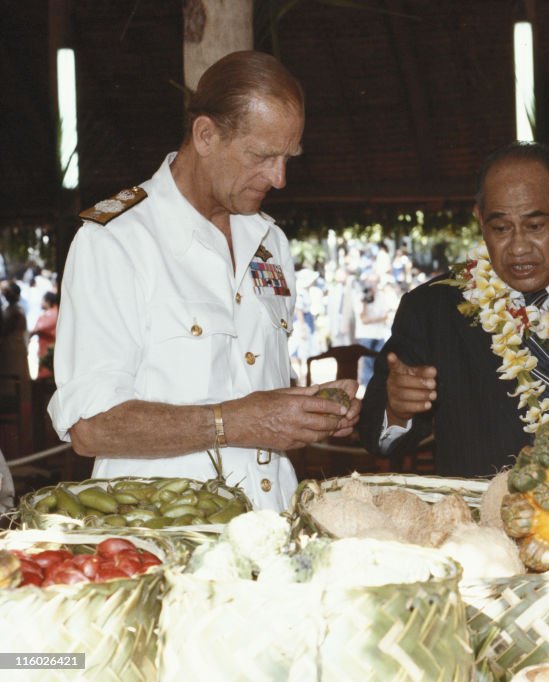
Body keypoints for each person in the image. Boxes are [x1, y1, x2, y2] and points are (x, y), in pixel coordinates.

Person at [48, 51, 360, 512]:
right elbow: (90, 427)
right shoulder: (116, 241)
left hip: (271, 524)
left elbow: (256, 382)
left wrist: (311, 412)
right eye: (261, 156)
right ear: (206, 135)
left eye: (287, 157)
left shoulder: (269, 241)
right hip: (166, 535)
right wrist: (234, 422)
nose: (278, 177)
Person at [360, 142, 549, 476]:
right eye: (501, 228)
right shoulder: (431, 310)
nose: (519, 247)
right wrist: (396, 411)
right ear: (480, 220)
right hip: (479, 523)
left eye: (535, 226)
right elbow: (378, 439)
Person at [30, 291, 59, 379]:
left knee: (46, 373)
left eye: (43, 300)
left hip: (47, 349)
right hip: (47, 347)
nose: (41, 303)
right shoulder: (55, 312)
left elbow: (37, 329)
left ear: (48, 301)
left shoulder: (51, 313)